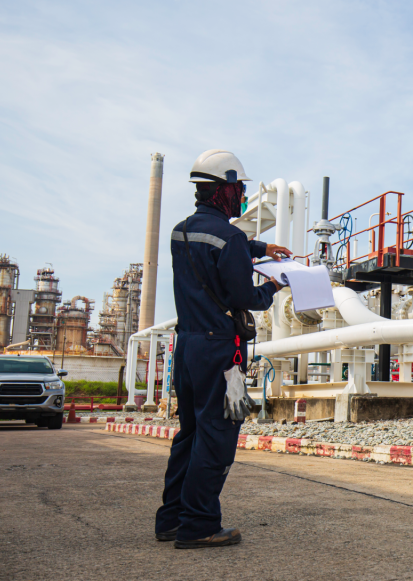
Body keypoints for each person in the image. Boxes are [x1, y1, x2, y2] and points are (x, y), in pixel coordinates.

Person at [154, 149, 291, 549]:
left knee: (190, 433)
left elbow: (215, 247)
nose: (241, 195)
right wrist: (275, 285)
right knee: (216, 436)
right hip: (220, 352)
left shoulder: (181, 231)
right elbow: (244, 296)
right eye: (238, 189)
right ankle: (199, 525)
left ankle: (172, 519)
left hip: (188, 347)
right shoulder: (229, 237)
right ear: (224, 190)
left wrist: (261, 248)